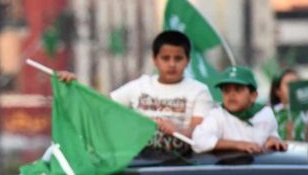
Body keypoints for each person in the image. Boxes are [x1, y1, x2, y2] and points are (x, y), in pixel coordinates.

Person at [57, 30, 214, 153]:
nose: (172, 64)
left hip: (181, 162)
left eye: (178, 58)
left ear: (187, 61)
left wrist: (177, 131)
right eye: (165, 58)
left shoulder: (199, 91)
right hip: (140, 160)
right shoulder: (140, 86)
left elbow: (198, 131)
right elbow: (101, 105)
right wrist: (73, 86)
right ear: (155, 59)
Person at [192, 66, 288, 154]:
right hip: (228, 169)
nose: (231, 95)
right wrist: (237, 144)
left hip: (258, 169)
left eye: (238, 89)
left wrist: (273, 139)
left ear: (253, 96)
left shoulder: (265, 113)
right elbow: (198, 141)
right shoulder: (217, 115)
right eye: (226, 90)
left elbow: (271, 133)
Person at [269, 43, 308, 141]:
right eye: (289, 85)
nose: (294, 89)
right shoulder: (270, 114)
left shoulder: (302, 109)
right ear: (277, 91)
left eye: (297, 85)